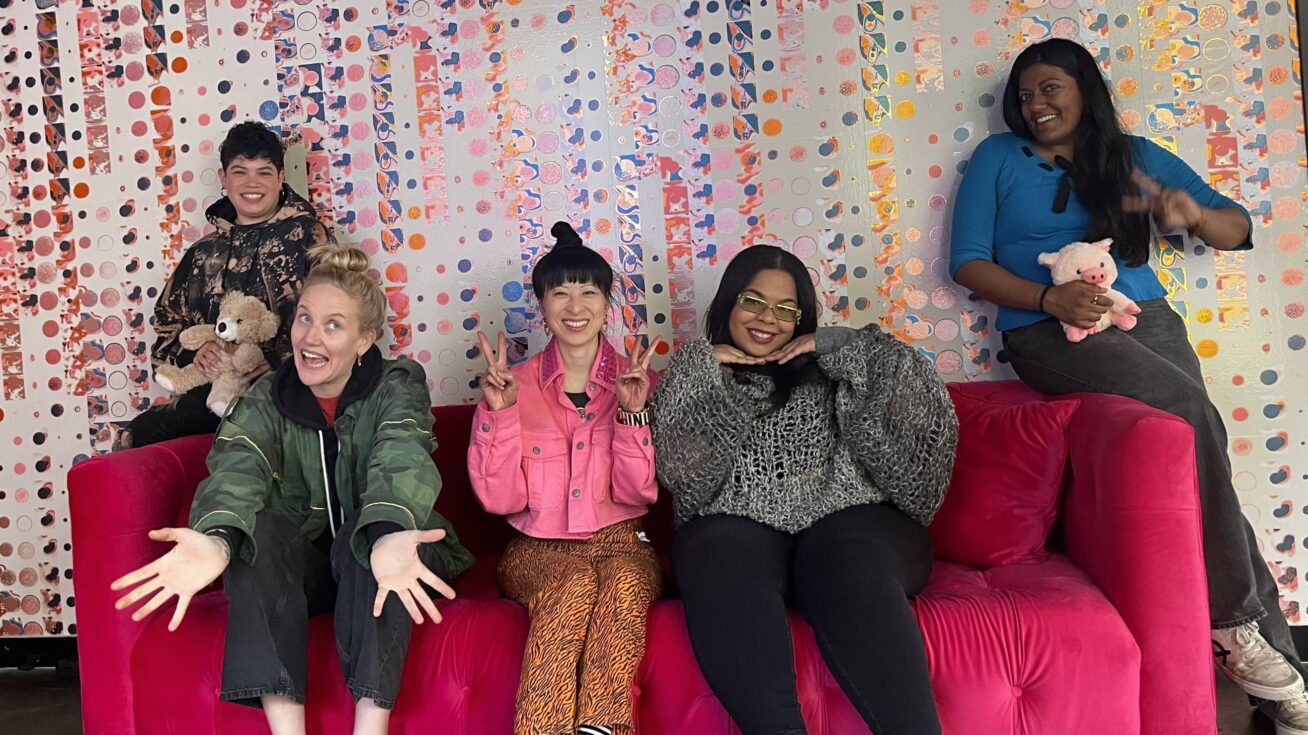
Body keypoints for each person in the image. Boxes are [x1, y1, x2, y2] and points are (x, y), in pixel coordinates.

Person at [949, 37, 1307, 734]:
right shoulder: (996, 160)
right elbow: (967, 262)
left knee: (1203, 454)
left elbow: (1236, 227)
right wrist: (1045, 299)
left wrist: (1191, 215)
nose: (1035, 104)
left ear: (1085, 89)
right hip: (1050, 333)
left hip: (1149, 322)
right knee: (1183, 412)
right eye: (1024, 95)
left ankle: (1284, 693)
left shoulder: (1134, 157)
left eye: (1050, 87)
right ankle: (1235, 626)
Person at [110, 244, 474, 735]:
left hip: (393, 551)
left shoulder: (397, 383)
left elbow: (401, 452)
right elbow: (238, 467)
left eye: (333, 325)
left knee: (366, 538)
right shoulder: (266, 397)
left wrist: (389, 528)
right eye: (304, 318)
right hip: (310, 572)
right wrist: (218, 538)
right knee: (258, 532)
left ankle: (371, 729)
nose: (310, 337)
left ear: (364, 340)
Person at [651, 245, 958, 735]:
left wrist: (842, 346)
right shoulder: (698, 376)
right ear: (728, 303)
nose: (767, 320)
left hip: (856, 525)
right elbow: (687, 481)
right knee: (712, 550)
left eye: (785, 309)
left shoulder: (835, 366)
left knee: (843, 557)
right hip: (739, 531)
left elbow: (922, 429)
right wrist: (702, 369)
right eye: (752, 302)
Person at [468, 221, 663, 735]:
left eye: (588, 292)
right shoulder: (512, 385)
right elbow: (498, 499)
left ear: (607, 302)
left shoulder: (637, 380)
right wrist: (501, 414)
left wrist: (632, 415)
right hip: (538, 548)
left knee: (622, 584)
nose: (575, 306)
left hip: (624, 542)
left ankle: (601, 730)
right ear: (542, 304)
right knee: (573, 583)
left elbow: (638, 493)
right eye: (560, 293)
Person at [121, 120, 332, 449]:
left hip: (291, 388)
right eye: (240, 171)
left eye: (263, 172)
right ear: (223, 178)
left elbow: (342, 318)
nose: (252, 183)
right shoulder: (202, 254)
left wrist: (277, 363)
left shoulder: (309, 237)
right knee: (139, 434)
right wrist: (196, 352)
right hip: (216, 393)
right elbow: (167, 323)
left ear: (280, 177)